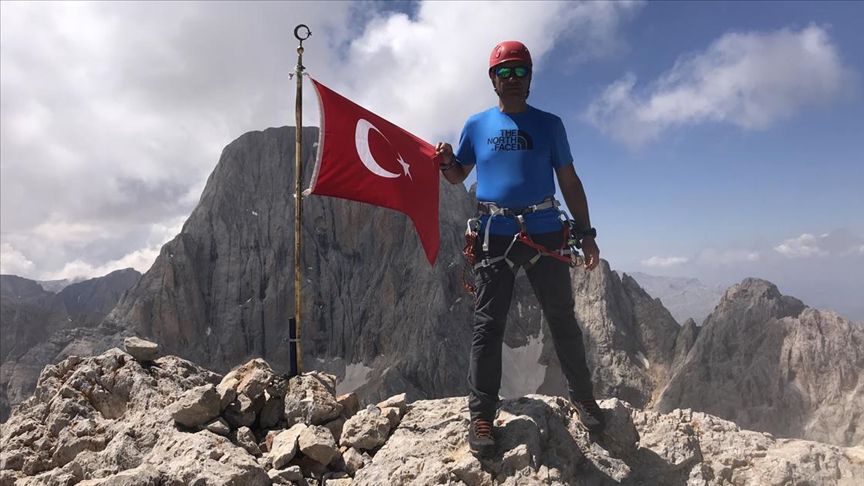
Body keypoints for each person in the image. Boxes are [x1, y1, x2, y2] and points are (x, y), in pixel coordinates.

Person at [435, 40, 605, 457]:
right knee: (488, 326)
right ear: (493, 79)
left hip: (546, 230)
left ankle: (583, 398)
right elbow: (458, 176)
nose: (512, 79)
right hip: (496, 233)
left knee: (562, 318)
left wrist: (586, 232)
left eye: (519, 72)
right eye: (504, 72)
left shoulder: (551, 125)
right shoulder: (476, 126)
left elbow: (569, 181)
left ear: (530, 77)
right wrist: (444, 162)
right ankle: (481, 416)